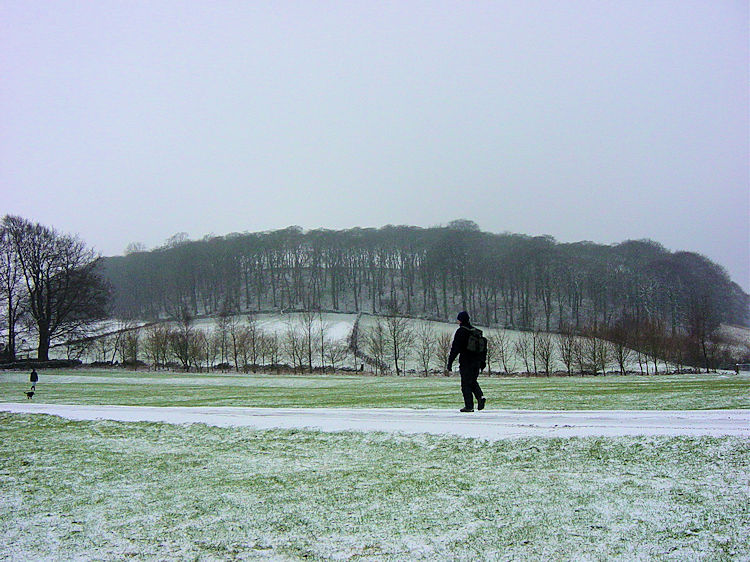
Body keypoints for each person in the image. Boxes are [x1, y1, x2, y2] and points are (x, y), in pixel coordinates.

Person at [447, 311, 486, 412]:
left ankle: (469, 406)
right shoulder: (476, 331)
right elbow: (483, 348)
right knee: (472, 381)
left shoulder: (461, 331)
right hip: (477, 362)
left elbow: (455, 348)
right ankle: (480, 397)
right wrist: (482, 362)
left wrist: (450, 362)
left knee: (465, 384)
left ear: (461, 320)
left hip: (466, 361)